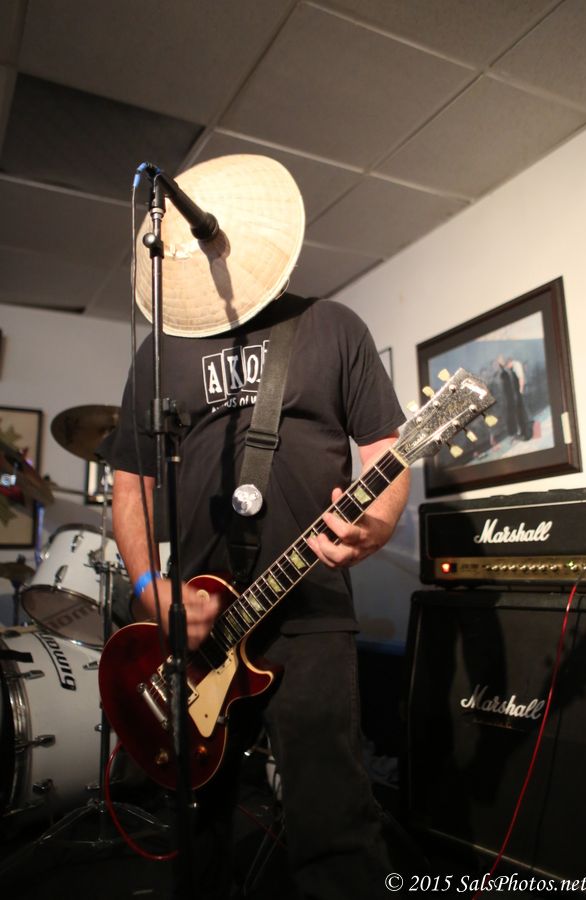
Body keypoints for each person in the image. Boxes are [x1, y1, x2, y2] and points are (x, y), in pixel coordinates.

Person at [101, 154, 414, 899]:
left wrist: (376, 525)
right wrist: (149, 589)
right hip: (199, 626)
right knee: (199, 829)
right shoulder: (161, 353)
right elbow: (131, 485)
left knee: (333, 822)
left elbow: (387, 450)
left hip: (309, 611)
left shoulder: (330, 326)